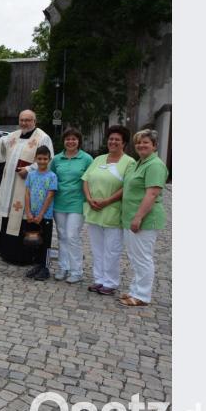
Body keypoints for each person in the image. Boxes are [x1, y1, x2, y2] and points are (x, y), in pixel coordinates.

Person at [0, 109, 54, 264]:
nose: (24, 123)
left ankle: (22, 255)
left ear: (34, 121)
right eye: (21, 120)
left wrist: (29, 169)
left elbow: (48, 160)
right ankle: (5, 250)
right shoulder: (13, 136)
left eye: (28, 120)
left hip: (26, 185)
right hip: (9, 184)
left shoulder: (43, 138)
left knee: (21, 215)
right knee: (7, 212)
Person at [81, 126, 136, 296]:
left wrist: (107, 201)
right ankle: (99, 279)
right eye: (111, 139)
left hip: (113, 211)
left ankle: (110, 282)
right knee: (97, 248)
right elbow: (85, 180)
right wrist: (89, 198)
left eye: (117, 140)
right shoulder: (99, 159)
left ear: (124, 143)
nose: (113, 142)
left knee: (112, 250)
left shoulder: (129, 162)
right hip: (94, 210)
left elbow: (127, 186)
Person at [119, 129, 168, 307]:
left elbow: (152, 194)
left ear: (154, 145)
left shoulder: (155, 165)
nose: (141, 145)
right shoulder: (139, 163)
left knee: (142, 258)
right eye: (138, 142)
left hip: (144, 219)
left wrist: (138, 217)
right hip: (131, 217)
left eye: (146, 142)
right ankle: (135, 290)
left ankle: (142, 295)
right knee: (135, 257)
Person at [50, 128, 93, 283]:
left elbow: (91, 180)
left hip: (77, 203)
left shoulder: (86, 159)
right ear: (63, 141)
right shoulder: (56, 159)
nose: (70, 142)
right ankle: (63, 267)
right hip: (59, 202)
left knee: (72, 236)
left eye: (74, 139)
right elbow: (51, 178)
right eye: (68, 139)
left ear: (79, 141)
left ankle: (77, 271)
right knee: (62, 235)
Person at [23, 146, 58, 280]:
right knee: (34, 241)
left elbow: (50, 196)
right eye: (40, 158)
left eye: (45, 159)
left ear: (49, 159)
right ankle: (37, 265)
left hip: (45, 216)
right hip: (32, 215)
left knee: (45, 242)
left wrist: (41, 215)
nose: (42, 161)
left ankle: (45, 268)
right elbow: (27, 193)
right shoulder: (31, 175)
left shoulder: (52, 176)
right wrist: (28, 212)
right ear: (35, 159)